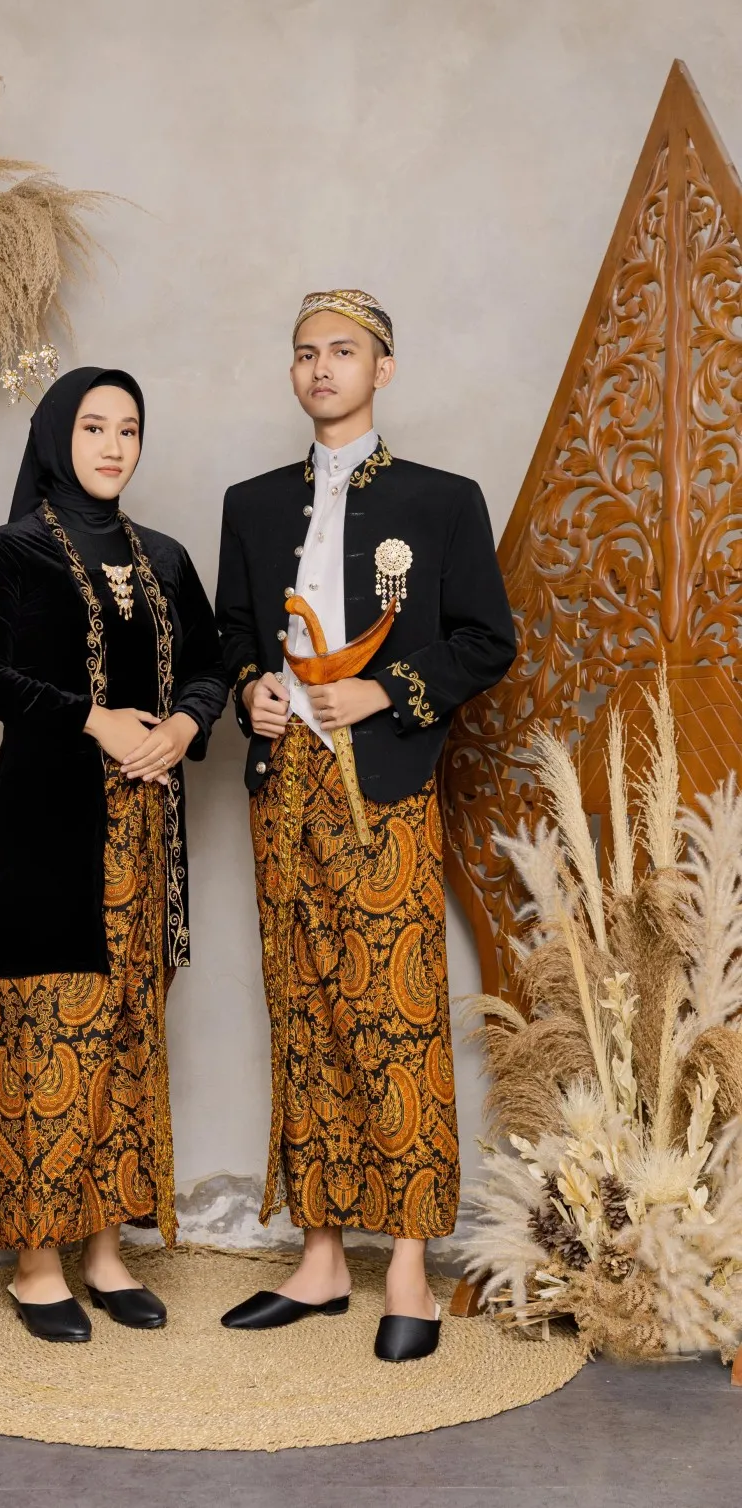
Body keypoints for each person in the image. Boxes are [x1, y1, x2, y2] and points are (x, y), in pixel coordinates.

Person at [215, 291, 515, 1360]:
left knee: (397, 1018)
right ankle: (321, 1259)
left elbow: (487, 640)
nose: (321, 368)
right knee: (304, 1010)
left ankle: (409, 1273)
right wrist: (250, 688)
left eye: (343, 351)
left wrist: (386, 691)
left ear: (382, 368)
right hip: (282, 785)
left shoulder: (442, 500)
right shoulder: (253, 504)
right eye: (305, 352)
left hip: (383, 780)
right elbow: (232, 634)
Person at [0, 366, 227, 1343]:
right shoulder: (16, 550)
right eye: (94, 427)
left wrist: (186, 726)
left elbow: (210, 667)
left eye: (129, 429)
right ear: (56, 437)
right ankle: (37, 1266)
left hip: (145, 848)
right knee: (42, 1041)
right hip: (46, 837)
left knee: (125, 1040)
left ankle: (107, 1254)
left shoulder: (166, 558)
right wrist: (93, 719)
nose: (113, 446)